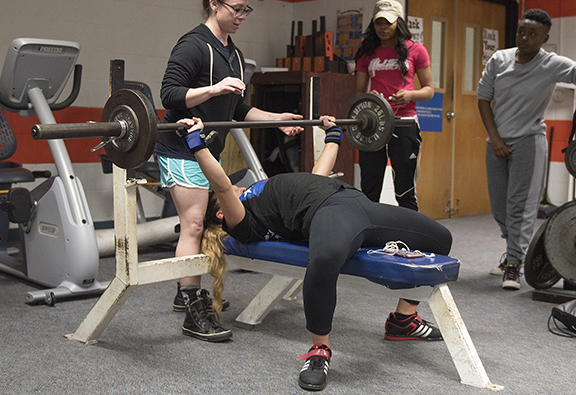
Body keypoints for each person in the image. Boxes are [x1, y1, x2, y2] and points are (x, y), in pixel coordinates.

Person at [177, 116, 453, 391]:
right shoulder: (242, 222)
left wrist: (333, 136)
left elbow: (315, 177)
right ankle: (319, 350)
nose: (240, 187)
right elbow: (223, 185)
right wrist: (196, 144)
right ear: (221, 213)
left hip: (356, 202)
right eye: (236, 191)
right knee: (324, 259)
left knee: (440, 239)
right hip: (327, 213)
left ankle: (403, 320)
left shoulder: (265, 188)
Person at [156, 0, 303, 342]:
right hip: (180, 146)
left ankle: (182, 288)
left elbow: (238, 109)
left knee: (203, 223)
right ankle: (191, 306)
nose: (242, 16)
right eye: (236, 9)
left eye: (246, 9)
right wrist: (214, 89)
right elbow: (169, 95)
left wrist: (275, 119)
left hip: (207, 150)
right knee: (192, 223)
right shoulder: (193, 45)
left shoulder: (233, 54)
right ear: (214, 4)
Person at [477, 8, 576, 290]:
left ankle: (513, 264)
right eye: (521, 31)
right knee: (500, 207)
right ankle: (513, 251)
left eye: (532, 33)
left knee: (520, 206)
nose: (524, 37)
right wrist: (495, 139)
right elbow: (483, 99)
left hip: (528, 141)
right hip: (497, 141)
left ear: (545, 37)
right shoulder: (500, 60)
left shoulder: (552, 64)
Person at [354, 0, 434, 211]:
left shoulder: (416, 50)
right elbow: (359, 92)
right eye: (378, 22)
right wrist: (369, 97)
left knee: (405, 188)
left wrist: (410, 95)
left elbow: (429, 90)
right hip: (373, 123)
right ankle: (370, 234)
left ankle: (410, 235)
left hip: (404, 122)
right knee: (370, 187)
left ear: (398, 23)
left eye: (388, 23)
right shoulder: (365, 53)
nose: (383, 28)